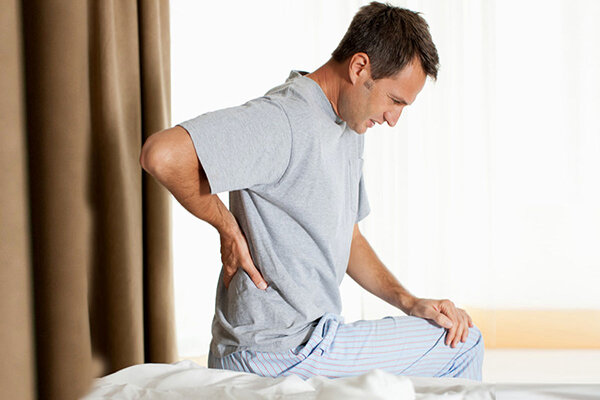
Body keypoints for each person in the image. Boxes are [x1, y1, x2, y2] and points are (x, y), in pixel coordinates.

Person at [140, 2, 484, 380]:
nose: (393, 119)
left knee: (443, 342)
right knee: (464, 344)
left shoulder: (349, 124)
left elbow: (347, 237)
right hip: (278, 350)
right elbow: (162, 155)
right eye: (394, 100)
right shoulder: (283, 120)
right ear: (359, 67)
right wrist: (226, 226)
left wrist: (409, 301)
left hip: (307, 342)